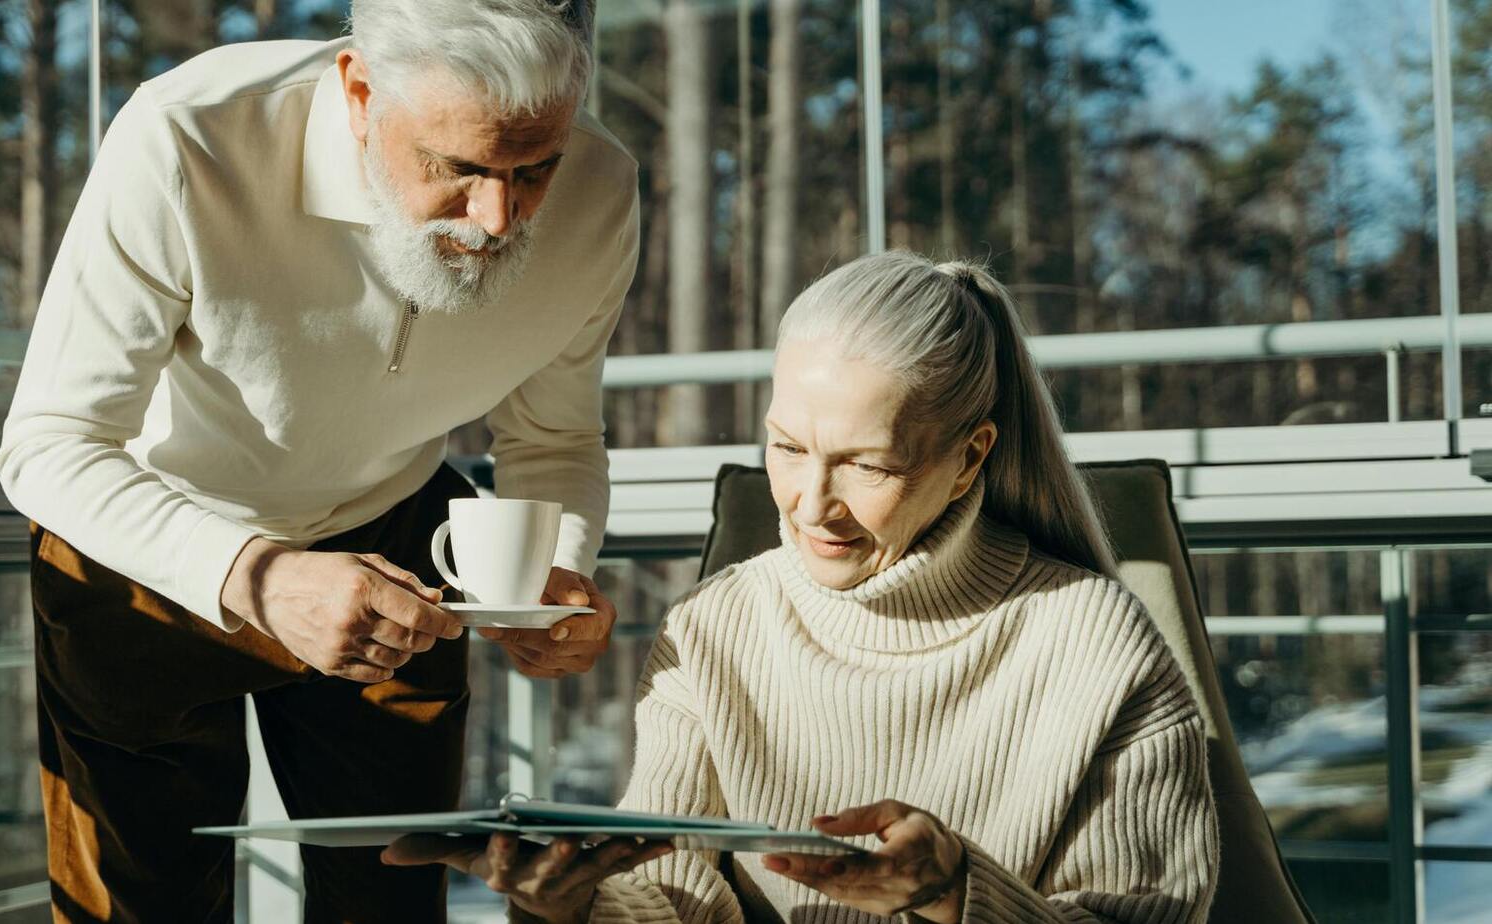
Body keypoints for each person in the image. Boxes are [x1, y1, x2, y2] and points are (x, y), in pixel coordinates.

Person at [0, 1, 639, 920]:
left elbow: (555, 438)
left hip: (399, 536)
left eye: (535, 169)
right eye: (455, 169)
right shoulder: (187, 134)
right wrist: (258, 575)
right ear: (360, 89)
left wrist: (558, 571)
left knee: (390, 903)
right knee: (140, 909)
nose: (497, 219)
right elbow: (51, 443)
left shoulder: (606, 189)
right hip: (146, 542)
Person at [386, 250, 1219, 923]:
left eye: (868, 464)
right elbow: (679, 902)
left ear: (969, 459)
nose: (811, 505)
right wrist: (574, 906)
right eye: (786, 448)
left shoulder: (1094, 641)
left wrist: (954, 892)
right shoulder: (717, 625)